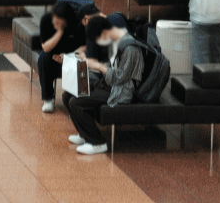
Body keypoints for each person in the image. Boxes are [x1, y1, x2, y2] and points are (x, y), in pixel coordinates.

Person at [65, 13, 172, 155]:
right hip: (110, 85)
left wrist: (98, 66)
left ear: (104, 33)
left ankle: (97, 142)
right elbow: (112, 68)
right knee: (68, 94)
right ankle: (85, 134)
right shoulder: (116, 42)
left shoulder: (130, 49)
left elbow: (120, 78)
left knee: (76, 102)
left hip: (122, 91)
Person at [36, 0, 88, 114]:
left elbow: (86, 46)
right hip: (53, 57)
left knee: (82, 59)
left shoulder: (78, 22)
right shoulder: (46, 20)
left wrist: (69, 57)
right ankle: (48, 99)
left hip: (72, 56)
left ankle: (81, 102)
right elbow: (45, 47)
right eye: (55, 21)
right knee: (43, 58)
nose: (56, 24)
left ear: (67, 20)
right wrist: (59, 32)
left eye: (59, 22)